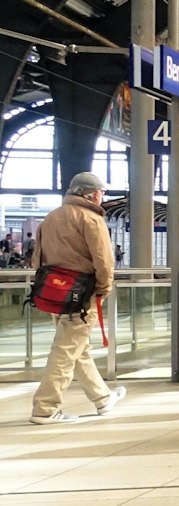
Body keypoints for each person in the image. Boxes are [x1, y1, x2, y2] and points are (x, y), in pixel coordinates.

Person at [28, 172, 126, 424]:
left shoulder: (51, 217)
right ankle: (45, 407)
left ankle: (102, 398)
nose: (102, 197)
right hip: (81, 295)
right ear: (92, 193)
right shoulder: (91, 219)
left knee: (77, 347)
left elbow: (37, 259)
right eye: (101, 193)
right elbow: (104, 261)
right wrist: (104, 288)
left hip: (54, 292)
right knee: (65, 350)